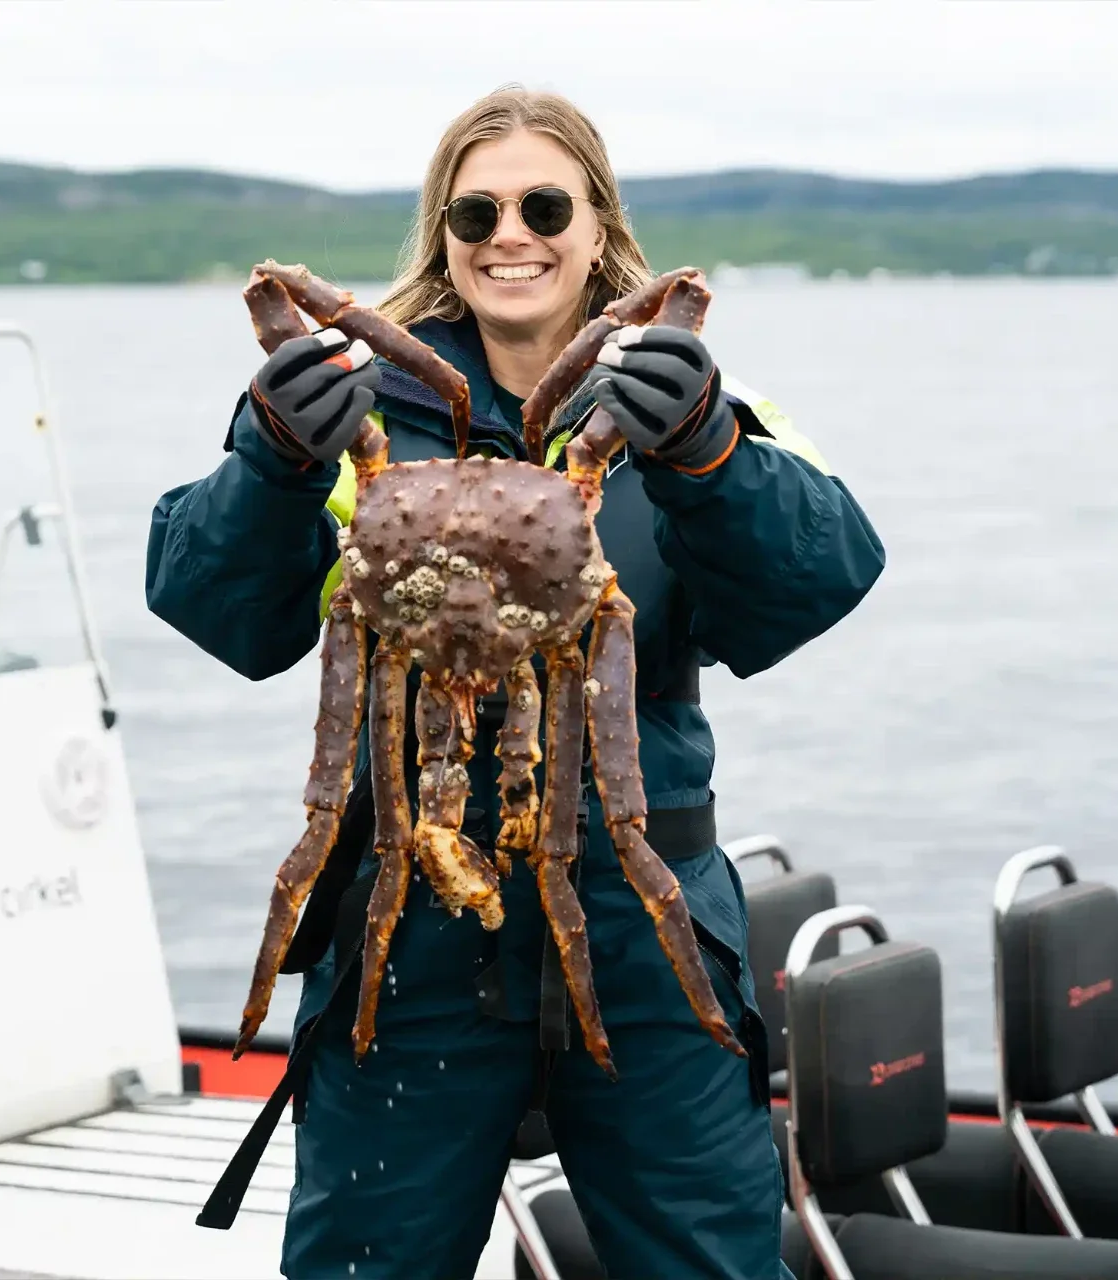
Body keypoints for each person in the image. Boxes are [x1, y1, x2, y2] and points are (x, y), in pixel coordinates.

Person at [147, 84, 885, 1280]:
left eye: (545, 206)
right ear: (442, 234)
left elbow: (821, 579)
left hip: (645, 919)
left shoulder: (696, 404)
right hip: (407, 926)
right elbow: (223, 610)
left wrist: (710, 450)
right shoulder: (348, 409)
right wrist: (268, 461)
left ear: (599, 226)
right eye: (474, 211)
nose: (510, 235)